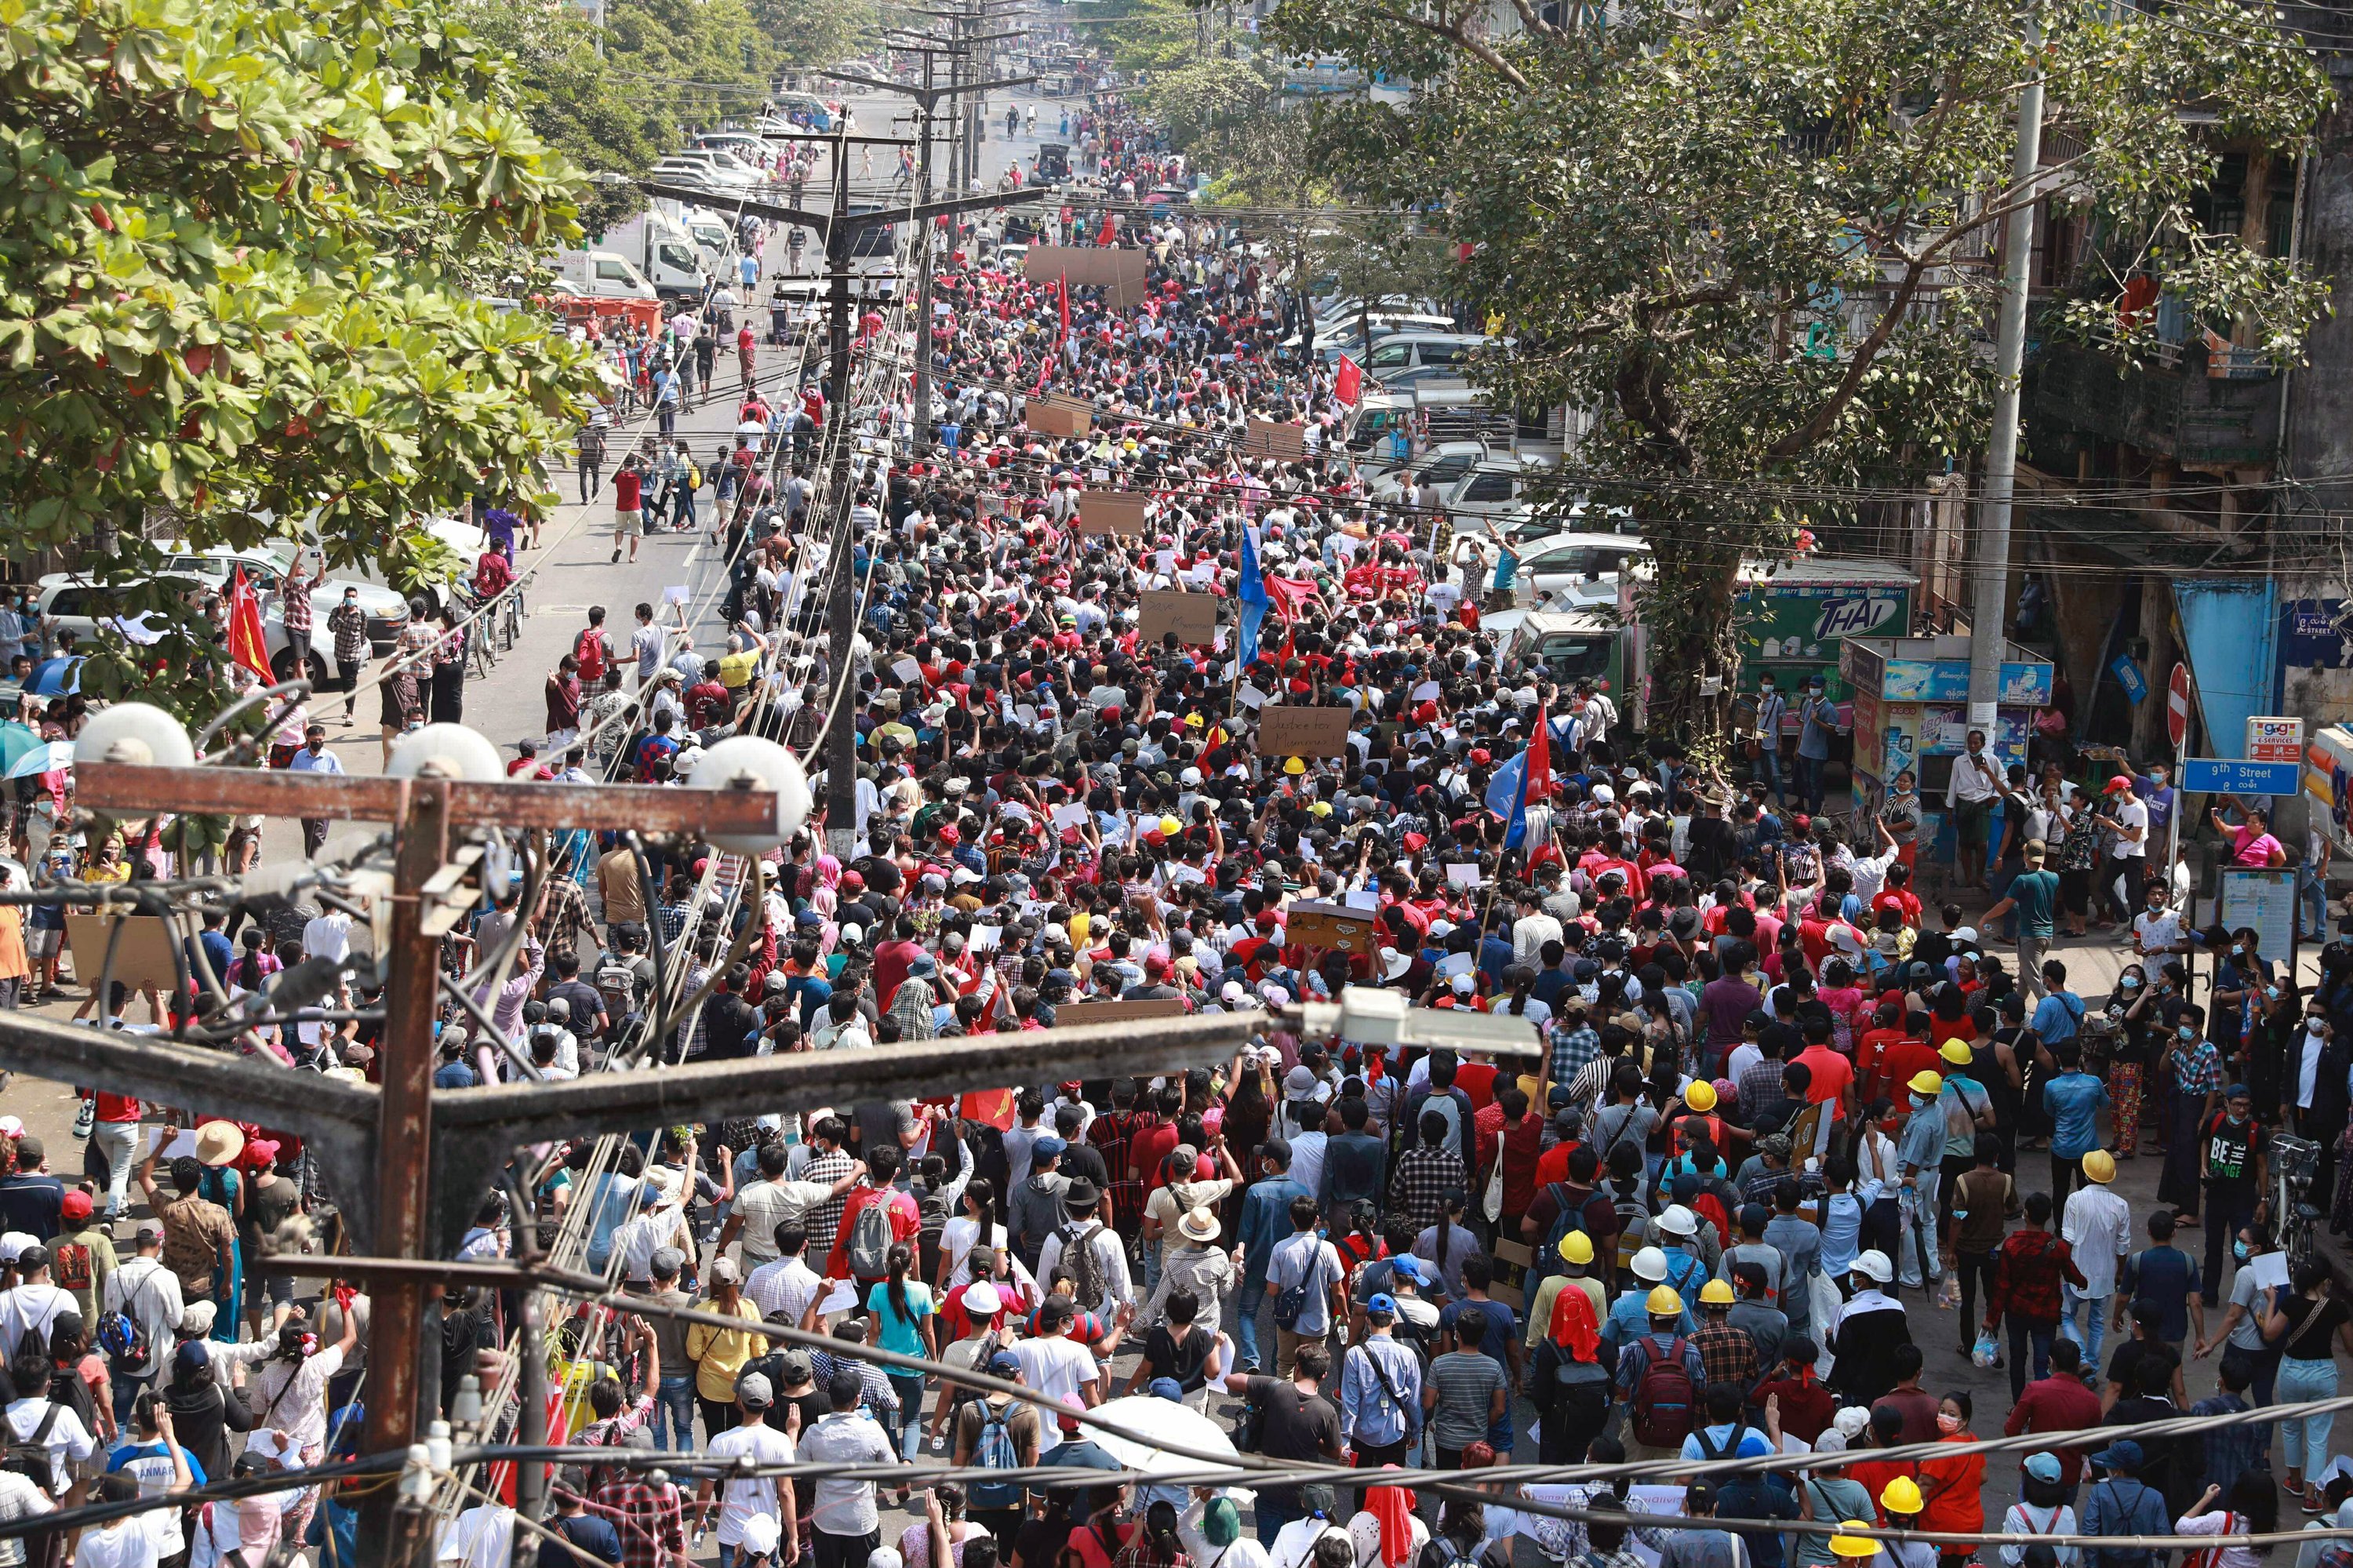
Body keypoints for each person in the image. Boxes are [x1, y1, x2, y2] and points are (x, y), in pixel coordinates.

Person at [2260, 1260, 2353, 1510]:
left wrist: (2271, 1302)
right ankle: (2312, 1495)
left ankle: (2295, 1480)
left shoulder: (2290, 1303)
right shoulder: (2337, 1308)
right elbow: (2350, 1347)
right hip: (2323, 1373)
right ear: (2325, 1282)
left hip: (2292, 1370)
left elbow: (2269, 1334)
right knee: (2318, 1435)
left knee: (2291, 1427)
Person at [798, 1370, 900, 1568]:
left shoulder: (814, 1433)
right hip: (861, 1522)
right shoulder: (873, 1430)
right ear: (857, 1399)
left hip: (826, 1521)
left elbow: (798, 1469)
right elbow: (892, 1467)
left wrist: (793, 1434)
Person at [696, 1372, 797, 1568]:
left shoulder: (720, 1442)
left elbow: (705, 1490)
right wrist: (793, 1536)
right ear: (770, 1403)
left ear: (740, 1402)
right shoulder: (781, 1441)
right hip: (767, 1533)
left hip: (732, 1531)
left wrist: (699, 1521)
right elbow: (786, 1492)